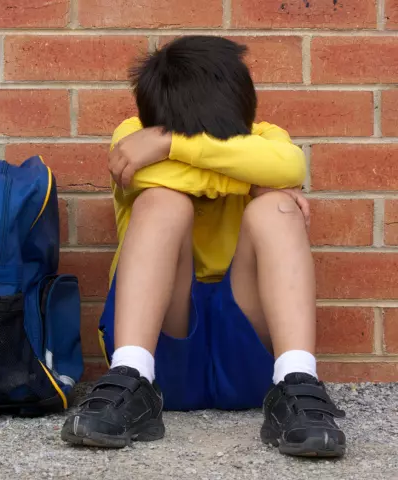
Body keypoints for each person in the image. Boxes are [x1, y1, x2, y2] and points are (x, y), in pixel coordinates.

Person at [60, 36, 347, 458]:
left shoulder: (265, 138)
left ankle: (297, 382)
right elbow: (141, 179)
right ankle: (131, 374)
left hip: (252, 356)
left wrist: (173, 147)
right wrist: (249, 179)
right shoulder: (131, 137)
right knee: (162, 201)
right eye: (174, 138)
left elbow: (290, 166)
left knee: (278, 210)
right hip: (162, 351)